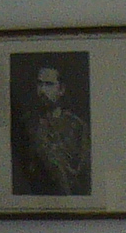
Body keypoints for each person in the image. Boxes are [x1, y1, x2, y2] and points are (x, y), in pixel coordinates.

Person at [14, 63, 91, 197]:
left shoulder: (77, 126)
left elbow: (83, 171)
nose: (42, 90)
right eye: (40, 84)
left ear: (61, 89)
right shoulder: (26, 124)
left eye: (49, 84)